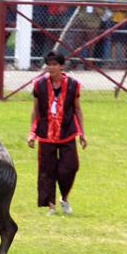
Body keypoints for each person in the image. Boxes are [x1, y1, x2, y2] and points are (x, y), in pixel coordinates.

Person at [27, 51, 87, 216]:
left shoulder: (73, 85)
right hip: (46, 133)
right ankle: (51, 205)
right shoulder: (39, 84)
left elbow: (77, 109)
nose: (51, 67)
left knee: (70, 167)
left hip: (67, 131)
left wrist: (82, 133)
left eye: (55, 64)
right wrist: (32, 133)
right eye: (49, 64)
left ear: (61, 66)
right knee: (47, 169)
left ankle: (64, 197)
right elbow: (35, 110)